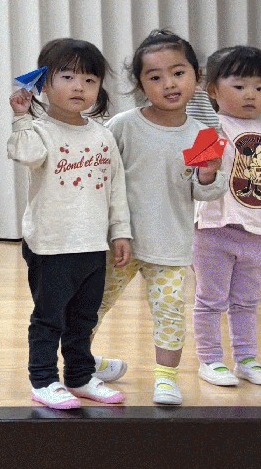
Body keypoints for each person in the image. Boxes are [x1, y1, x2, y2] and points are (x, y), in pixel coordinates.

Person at [96, 30, 229, 407]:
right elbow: (101, 177)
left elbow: (205, 192)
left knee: (170, 312)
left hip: (171, 243)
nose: (169, 83)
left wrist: (208, 175)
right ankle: (80, 364)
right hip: (118, 242)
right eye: (155, 77)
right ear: (141, 85)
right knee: (90, 306)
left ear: (196, 77)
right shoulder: (123, 125)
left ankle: (166, 378)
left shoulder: (204, 134)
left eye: (178, 73)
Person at [7, 38, 132, 410]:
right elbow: (25, 154)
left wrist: (120, 232)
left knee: (83, 318)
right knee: (49, 319)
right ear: (44, 83)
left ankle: (79, 376)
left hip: (93, 245)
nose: (79, 87)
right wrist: (21, 116)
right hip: (50, 245)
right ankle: (43, 380)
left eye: (89, 80)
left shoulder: (102, 134)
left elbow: (116, 188)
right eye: (68, 77)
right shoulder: (38, 130)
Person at [193, 44, 261, 389]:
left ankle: (246, 358)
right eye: (239, 86)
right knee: (210, 300)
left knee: (247, 301)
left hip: (254, 232)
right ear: (212, 90)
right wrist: (197, 88)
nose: (250, 94)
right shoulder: (209, 126)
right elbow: (195, 168)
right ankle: (210, 360)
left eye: (260, 87)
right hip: (212, 228)